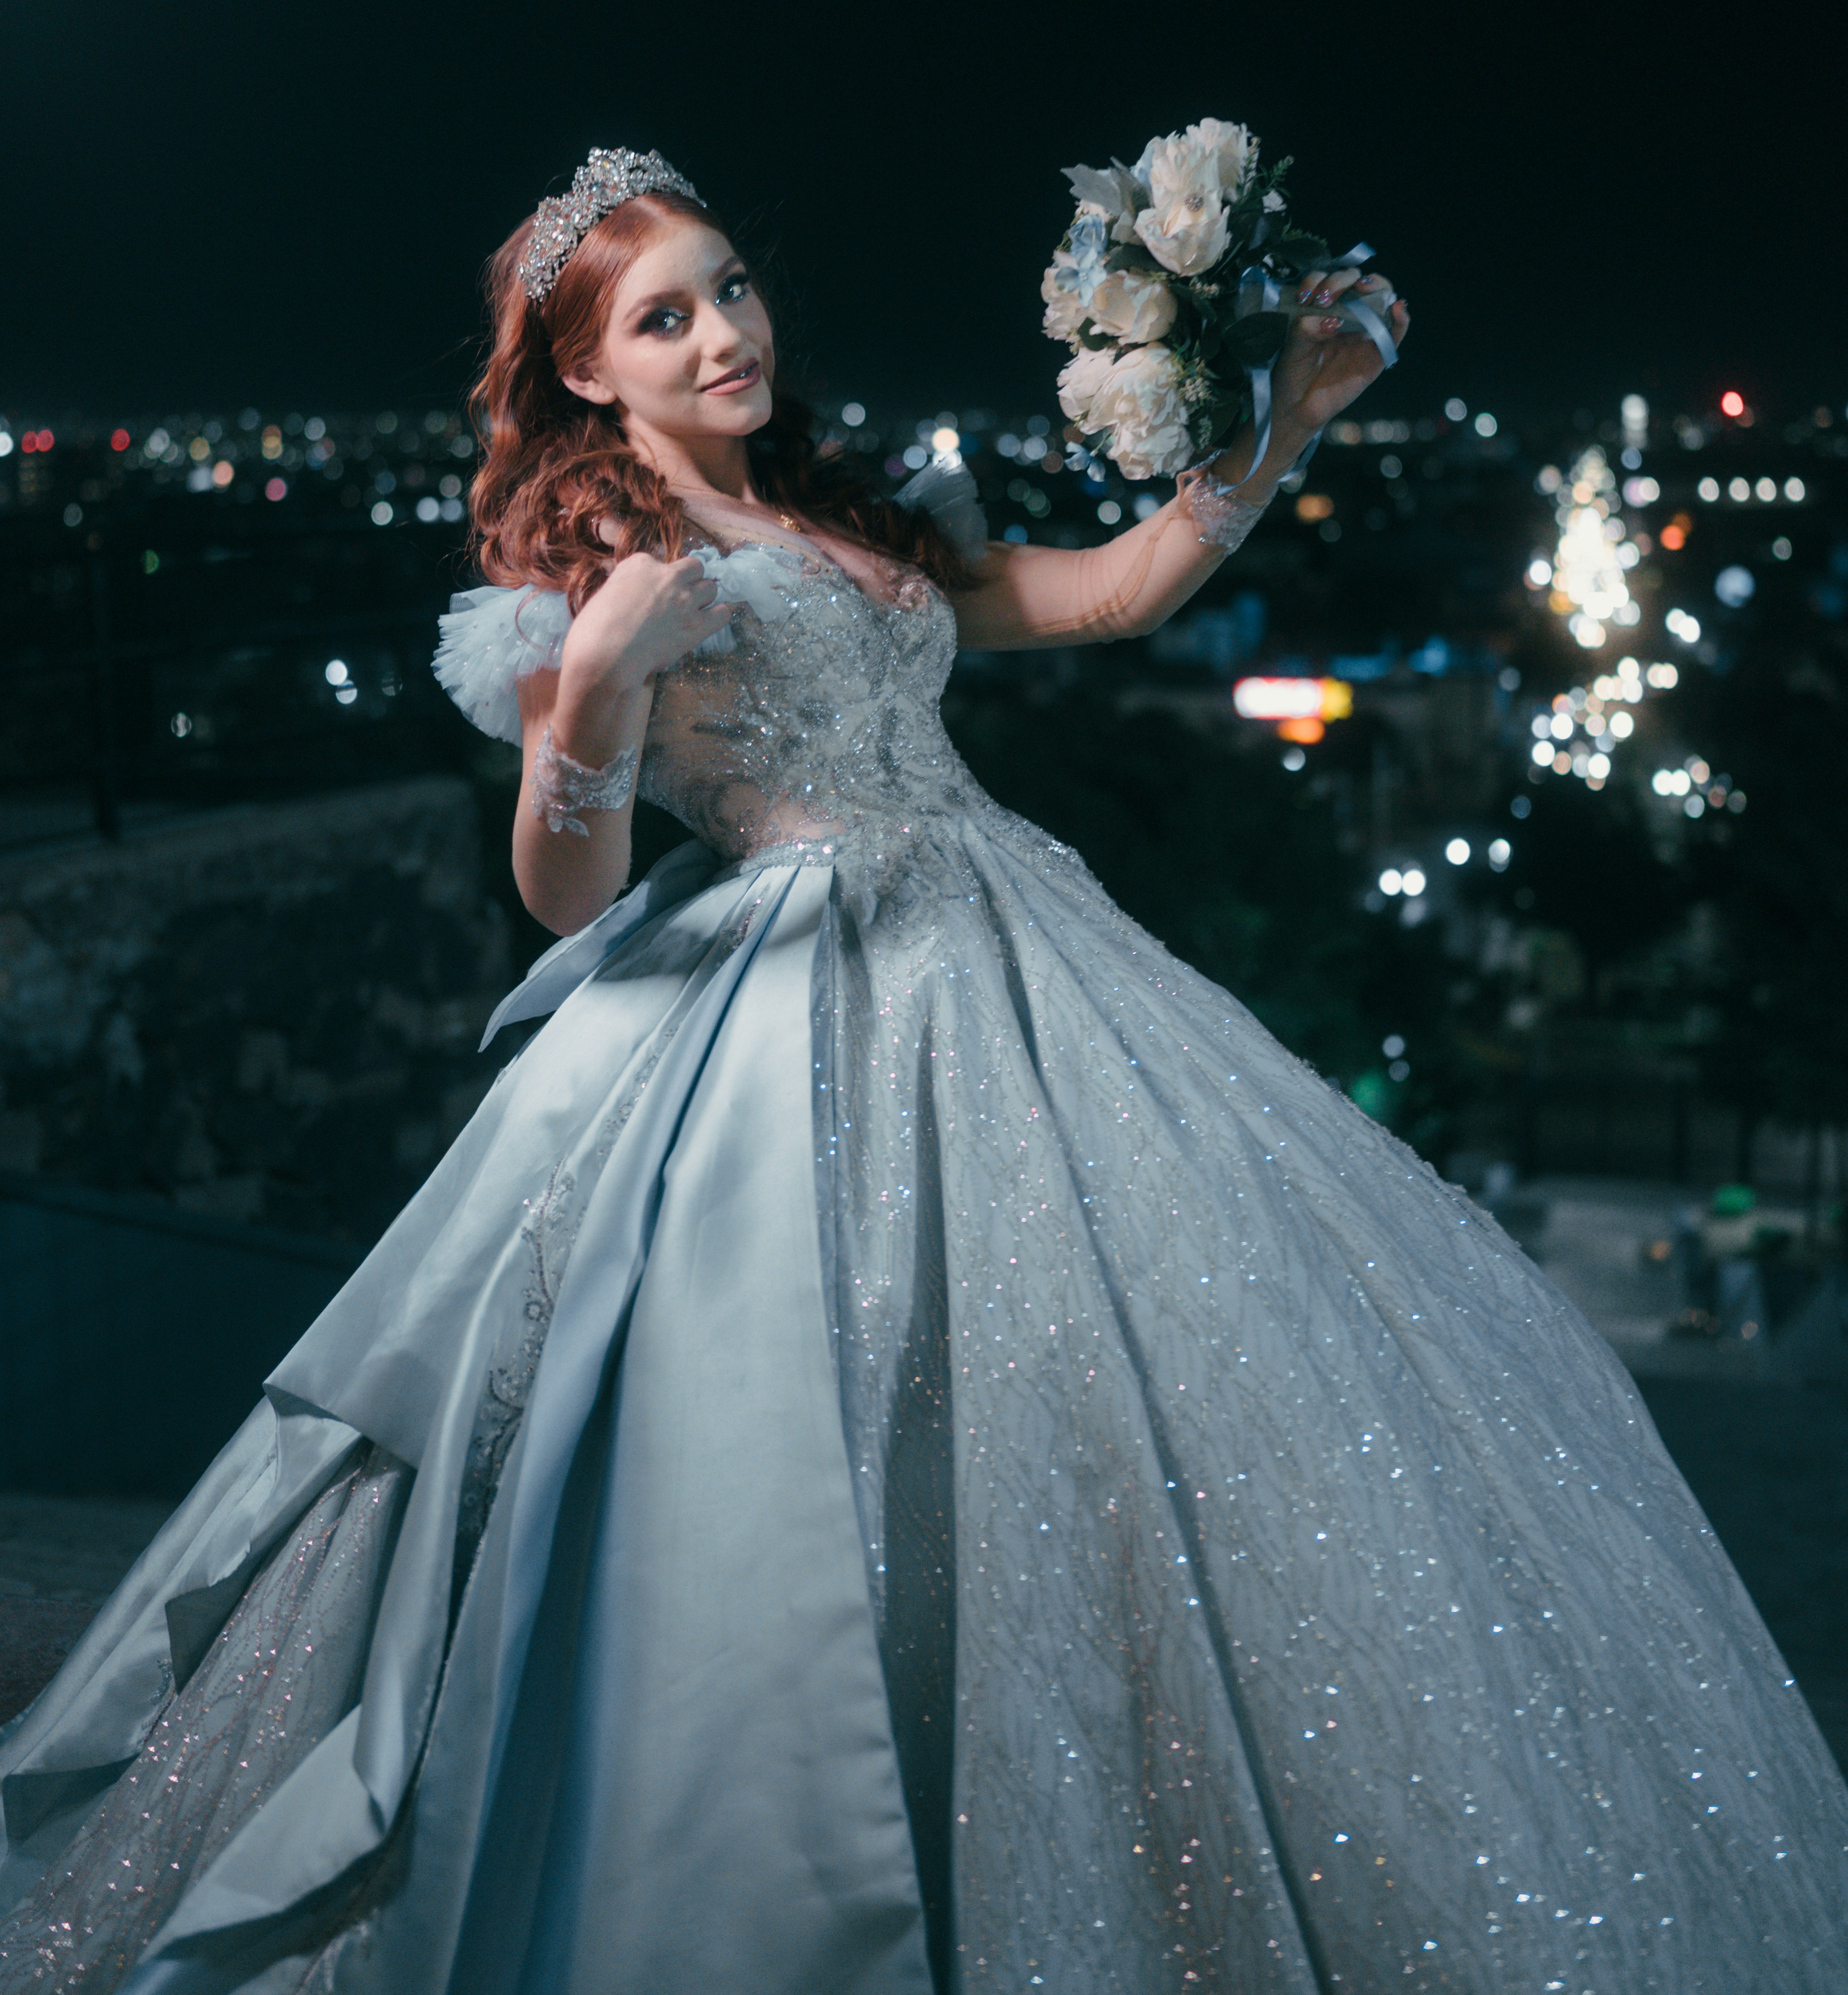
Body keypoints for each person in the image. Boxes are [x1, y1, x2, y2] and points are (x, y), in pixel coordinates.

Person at [0, 148, 1842, 1995]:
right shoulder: (598, 572)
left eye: (729, 287)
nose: (723, 334)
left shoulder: (850, 510)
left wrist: (1284, 418)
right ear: (585, 374)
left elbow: (1113, 595)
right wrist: (601, 697)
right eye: (665, 318)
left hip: (1015, 943)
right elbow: (561, 890)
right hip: (792, 994)